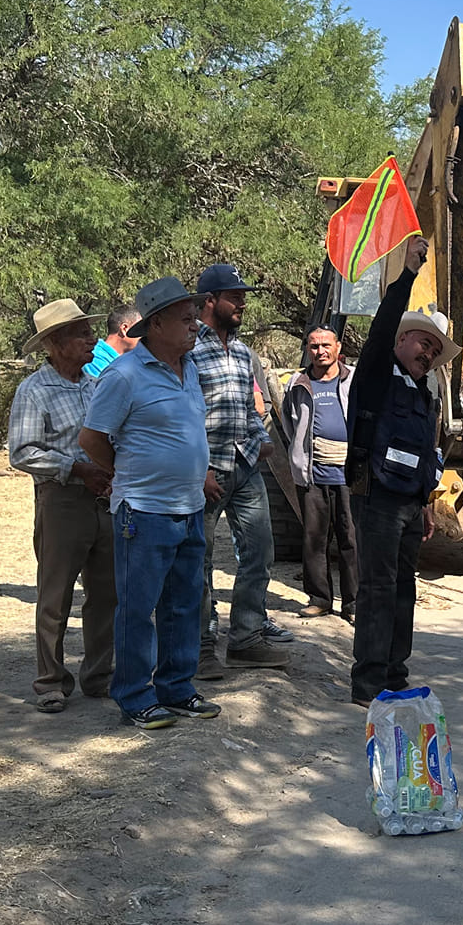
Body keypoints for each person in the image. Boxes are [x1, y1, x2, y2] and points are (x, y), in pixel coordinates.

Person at [78, 278, 222, 728]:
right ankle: (134, 695)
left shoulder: (190, 368)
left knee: (183, 603)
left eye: (195, 316)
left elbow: (187, 433)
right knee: (139, 607)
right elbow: (91, 438)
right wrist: (126, 474)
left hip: (188, 508)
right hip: (142, 511)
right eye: (185, 318)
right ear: (154, 324)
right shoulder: (124, 375)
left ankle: (176, 687)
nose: (195, 325)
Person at [347, 236, 451, 705]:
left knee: (404, 588)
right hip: (377, 498)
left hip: (410, 503)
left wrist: (427, 503)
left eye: (434, 349)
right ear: (401, 340)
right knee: (377, 587)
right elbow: (381, 325)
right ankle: (367, 683)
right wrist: (407, 273)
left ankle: (394, 673)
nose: (427, 352)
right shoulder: (374, 374)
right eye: (421, 343)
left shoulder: (425, 394)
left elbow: (428, 451)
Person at [8, 299, 116, 713]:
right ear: (55, 343)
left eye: (90, 332)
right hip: (62, 499)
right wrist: (73, 468)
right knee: (55, 596)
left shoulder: (96, 383)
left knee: (106, 591)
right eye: (82, 334)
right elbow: (21, 452)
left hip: (104, 496)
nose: (92, 340)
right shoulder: (34, 390)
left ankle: (98, 674)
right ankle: (51, 681)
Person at [191, 264, 289, 675]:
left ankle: (246, 637)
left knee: (260, 551)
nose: (243, 302)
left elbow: (246, 406)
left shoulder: (244, 352)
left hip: (245, 465)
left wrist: (259, 439)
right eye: (235, 296)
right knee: (199, 559)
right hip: (207, 470)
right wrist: (200, 471)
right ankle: (200, 647)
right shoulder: (189, 350)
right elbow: (185, 414)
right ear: (210, 302)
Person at [283, 326, 359, 621]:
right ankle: (320, 599)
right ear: (308, 349)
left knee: (351, 540)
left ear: (338, 348)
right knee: (314, 539)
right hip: (313, 476)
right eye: (314, 346)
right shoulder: (298, 384)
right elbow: (291, 426)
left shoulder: (354, 380)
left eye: (326, 345)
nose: (320, 351)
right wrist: (301, 457)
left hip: (349, 475)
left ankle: (353, 603)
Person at [84, 304, 138, 379]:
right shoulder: (93, 359)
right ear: (124, 329)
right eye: (139, 329)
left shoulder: (132, 360)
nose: (145, 334)